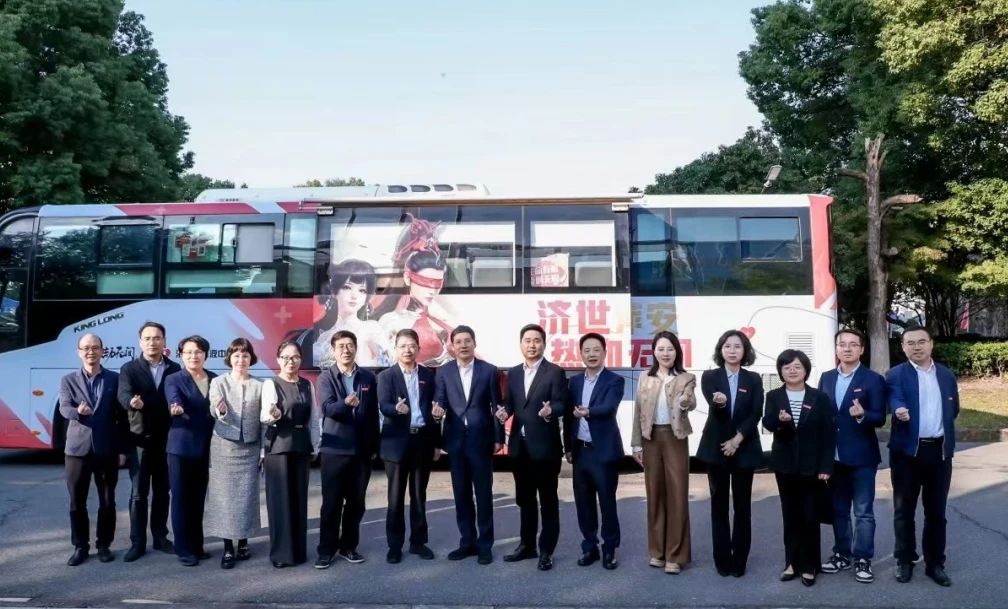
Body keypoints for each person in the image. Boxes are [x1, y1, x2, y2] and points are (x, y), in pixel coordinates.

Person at [887, 325, 959, 587]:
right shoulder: (895, 374)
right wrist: (899, 410)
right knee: (903, 511)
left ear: (931, 344)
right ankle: (904, 560)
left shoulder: (946, 375)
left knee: (936, 512)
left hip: (939, 452)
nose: (916, 347)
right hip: (906, 453)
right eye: (910, 343)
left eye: (921, 342)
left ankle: (935, 563)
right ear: (903, 347)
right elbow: (893, 398)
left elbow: (954, 409)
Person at [762, 349, 835, 586]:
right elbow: (767, 423)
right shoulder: (774, 396)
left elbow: (828, 434)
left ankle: (810, 565)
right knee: (790, 515)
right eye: (787, 367)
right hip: (785, 466)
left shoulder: (819, 397)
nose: (792, 371)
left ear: (805, 370)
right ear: (780, 371)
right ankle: (791, 563)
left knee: (810, 516)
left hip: (812, 467)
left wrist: (826, 466)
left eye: (797, 367)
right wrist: (780, 421)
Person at [818, 328, 886, 583]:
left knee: (863, 512)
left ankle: (863, 558)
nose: (847, 348)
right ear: (836, 348)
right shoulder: (826, 378)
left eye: (853, 344)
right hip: (834, 458)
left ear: (862, 349)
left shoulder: (873, 379)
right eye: (842, 344)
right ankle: (842, 554)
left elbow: (880, 417)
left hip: (862, 457)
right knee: (838, 510)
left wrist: (863, 415)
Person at [432, 325, 504, 565]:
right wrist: (437, 411)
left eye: (467, 341)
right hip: (455, 441)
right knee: (461, 494)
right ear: (452, 346)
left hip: (481, 440)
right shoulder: (444, 371)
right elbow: (440, 400)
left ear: (474, 343)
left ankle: (485, 545)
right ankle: (467, 542)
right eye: (458, 342)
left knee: (483, 495)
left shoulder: (489, 370)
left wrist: (499, 438)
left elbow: (497, 406)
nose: (463, 345)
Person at [696, 329, 765, 577]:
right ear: (721, 350)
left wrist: (737, 440)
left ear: (745, 351)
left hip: (744, 447)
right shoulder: (710, 377)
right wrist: (720, 403)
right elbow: (717, 412)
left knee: (743, 506)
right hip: (716, 448)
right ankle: (722, 558)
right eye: (727, 346)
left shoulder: (753, 379)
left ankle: (740, 559)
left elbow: (756, 412)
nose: (732, 350)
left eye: (737, 346)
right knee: (719, 505)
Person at [500, 323, 568, 571]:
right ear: (521, 344)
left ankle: (546, 551)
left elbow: (562, 404)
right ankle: (527, 546)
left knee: (548, 502)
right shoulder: (514, 373)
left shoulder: (555, 372)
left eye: (537, 340)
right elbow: (510, 403)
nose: (532, 345)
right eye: (527, 340)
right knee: (525, 500)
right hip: (520, 449)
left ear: (544, 344)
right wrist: (503, 412)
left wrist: (551, 411)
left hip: (545, 449)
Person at [631, 330, 696, 575]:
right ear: (654, 352)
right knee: (655, 495)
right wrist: (636, 444)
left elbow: (691, 401)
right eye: (661, 349)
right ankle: (657, 552)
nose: (665, 353)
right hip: (650, 439)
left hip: (675, 438)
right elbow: (638, 411)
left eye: (670, 349)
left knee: (677, 495)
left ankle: (675, 556)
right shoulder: (645, 377)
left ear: (677, 351)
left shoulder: (686, 378)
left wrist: (684, 402)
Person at [314, 330, 379, 568]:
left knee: (356, 503)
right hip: (335, 450)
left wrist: (374, 446)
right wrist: (346, 404)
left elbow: (372, 415)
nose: (346, 350)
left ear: (356, 348)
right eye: (341, 346)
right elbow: (328, 409)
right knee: (331, 504)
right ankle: (326, 550)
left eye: (350, 345)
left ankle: (348, 547)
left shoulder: (368, 378)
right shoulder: (325, 378)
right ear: (333, 351)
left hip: (361, 452)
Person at [58, 333, 125, 566]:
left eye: (95, 347)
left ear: (102, 351)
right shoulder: (68, 380)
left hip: (107, 449)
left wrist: (122, 449)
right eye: (86, 348)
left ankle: (104, 545)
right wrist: (78, 412)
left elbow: (121, 417)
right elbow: (64, 408)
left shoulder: (114, 379)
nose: (90, 352)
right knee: (77, 502)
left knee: (107, 501)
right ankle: (80, 546)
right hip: (77, 450)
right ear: (79, 352)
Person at [377, 328, 441, 564]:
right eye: (403, 346)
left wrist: (436, 444)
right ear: (395, 349)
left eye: (412, 345)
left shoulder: (427, 375)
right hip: (396, 443)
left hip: (422, 440)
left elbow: (435, 412)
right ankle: (394, 546)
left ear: (418, 349)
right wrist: (396, 409)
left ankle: (418, 542)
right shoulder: (386, 376)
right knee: (395, 498)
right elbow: (383, 405)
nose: (408, 350)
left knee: (419, 495)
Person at [118, 321, 180, 562]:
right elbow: (123, 394)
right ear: (140, 342)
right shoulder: (130, 368)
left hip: (167, 440)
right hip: (140, 440)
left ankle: (161, 538)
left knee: (163, 492)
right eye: (147, 338)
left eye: (157, 338)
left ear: (164, 341)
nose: (152, 342)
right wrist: (131, 403)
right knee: (138, 494)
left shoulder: (174, 368)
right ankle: (137, 543)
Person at [564, 332, 625, 570]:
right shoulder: (575, 382)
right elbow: (569, 417)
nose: (591, 354)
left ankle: (609, 549)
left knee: (607, 502)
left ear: (604, 352)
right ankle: (589, 547)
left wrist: (588, 412)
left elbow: (609, 407)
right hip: (581, 451)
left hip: (603, 452)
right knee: (584, 503)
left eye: (596, 350)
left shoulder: (614, 380)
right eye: (587, 350)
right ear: (581, 354)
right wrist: (568, 447)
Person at [261, 340, 321, 568]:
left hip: (301, 445)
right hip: (279, 446)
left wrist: (315, 445)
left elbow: (314, 418)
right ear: (278, 359)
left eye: (295, 357)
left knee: (298, 501)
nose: (290, 361)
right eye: (285, 357)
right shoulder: (271, 384)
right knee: (280, 502)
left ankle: (297, 552)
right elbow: (265, 416)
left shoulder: (307, 384)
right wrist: (274, 415)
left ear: (300, 359)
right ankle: (281, 554)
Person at [205, 338, 264, 569]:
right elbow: (214, 406)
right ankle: (228, 547)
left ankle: (244, 542)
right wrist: (219, 410)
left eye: (245, 355)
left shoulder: (260, 384)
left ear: (251, 359)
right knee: (225, 499)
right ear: (230, 358)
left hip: (250, 448)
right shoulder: (219, 382)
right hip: (223, 447)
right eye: (237, 355)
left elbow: (264, 422)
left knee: (247, 498)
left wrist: (262, 451)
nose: (241, 360)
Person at [165, 335, 217, 566]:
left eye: (197, 351)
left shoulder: (214, 379)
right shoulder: (174, 378)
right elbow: (173, 399)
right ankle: (184, 549)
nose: (193, 356)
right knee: (180, 498)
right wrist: (175, 407)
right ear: (181, 355)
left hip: (205, 446)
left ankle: (197, 545)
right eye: (188, 352)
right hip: (181, 447)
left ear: (205, 354)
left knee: (198, 498)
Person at [375, 214, 454, 366]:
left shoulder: (442, 317)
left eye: (437, 284)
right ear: (407, 277)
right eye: (425, 282)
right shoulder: (393, 320)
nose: (432, 290)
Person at [313, 258, 389, 368]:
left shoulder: (372, 329)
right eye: (347, 287)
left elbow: (386, 363)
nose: (354, 296)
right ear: (335, 291)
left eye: (362, 290)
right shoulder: (324, 337)